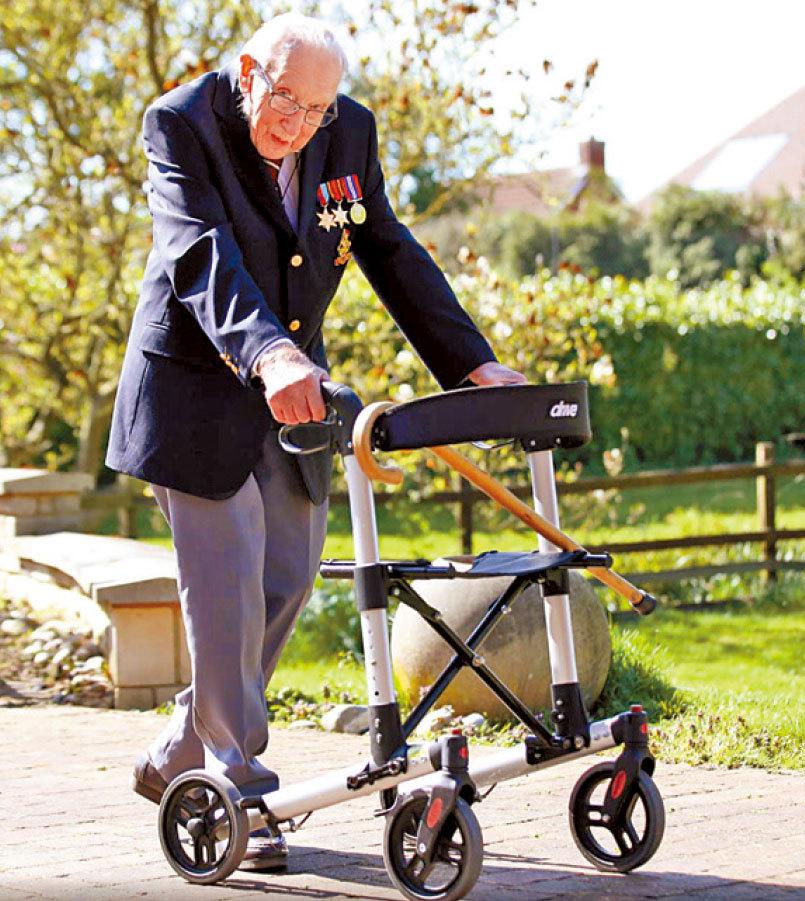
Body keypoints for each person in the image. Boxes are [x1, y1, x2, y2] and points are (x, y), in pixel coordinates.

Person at [105, 13, 525, 871]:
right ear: (248, 72)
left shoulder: (350, 132)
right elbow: (200, 255)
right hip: (195, 391)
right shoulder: (180, 124)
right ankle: (240, 788)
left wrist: (471, 363)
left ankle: (182, 749)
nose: (298, 125)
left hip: (296, 397)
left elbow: (387, 246)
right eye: (285, 101)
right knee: (226, 592)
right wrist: (267, 353)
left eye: (316, 111)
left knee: (289, 578)